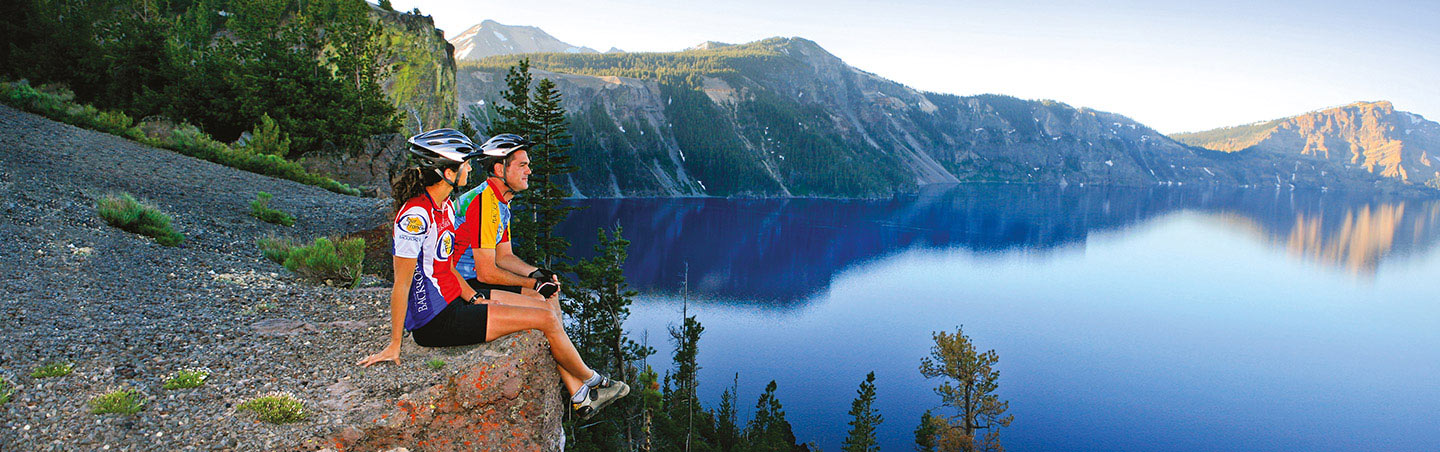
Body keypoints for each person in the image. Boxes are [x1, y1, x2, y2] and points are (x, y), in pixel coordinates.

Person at [357, 129, 627, 420]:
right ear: (447, 171)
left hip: (456, 303)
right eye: (465, 164)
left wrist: (474, 299)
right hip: (435, 321)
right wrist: (395, 343)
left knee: (544, 310)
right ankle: (592, 381)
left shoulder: (445, 207)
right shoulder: (415, 216)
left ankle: (583, 393)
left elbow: (445, 267)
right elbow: (403, 283)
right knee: (546, 317)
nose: (471, 168)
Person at [452, 133, 560, 312]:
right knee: (542, 307)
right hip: (462, 285)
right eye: (522, 165)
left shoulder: (499, 201)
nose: (529, 171)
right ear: (500, 170)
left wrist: (536, 273)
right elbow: (486, 273)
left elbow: (504, 256)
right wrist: (534, 283)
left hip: (472, 279)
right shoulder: (483, 202)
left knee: (548, 297)